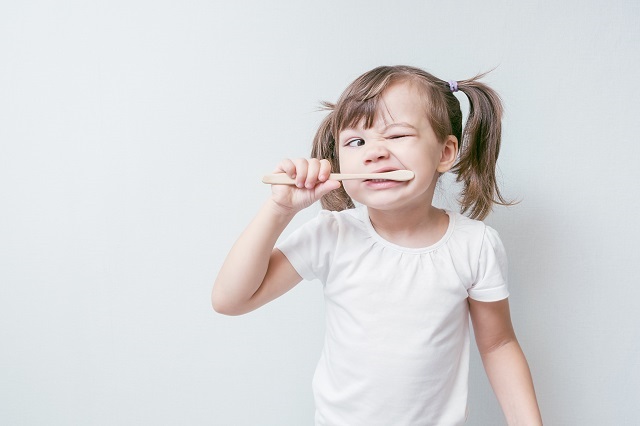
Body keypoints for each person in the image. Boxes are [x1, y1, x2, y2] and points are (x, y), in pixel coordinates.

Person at [212, 65, 542, 425]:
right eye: (356, 142)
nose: (374, 153)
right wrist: (279, 209)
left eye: (397, 135)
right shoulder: (331, 235)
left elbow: (498, 345)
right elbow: (231, 300)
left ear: (446, 152)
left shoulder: (474, 245)